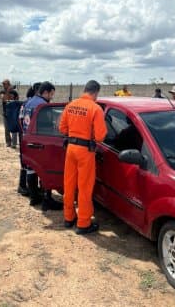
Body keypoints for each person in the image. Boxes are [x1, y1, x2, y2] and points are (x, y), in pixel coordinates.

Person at [59, 80, 107, 234]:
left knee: (69, 184)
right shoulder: (95, 108)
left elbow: (62, 128)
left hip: (71, 149)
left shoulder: (71, 105)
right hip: (85, 151)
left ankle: (68, 218)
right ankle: (83, 223)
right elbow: (100, 136)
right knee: (85, 187)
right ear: (95, 92)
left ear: (85, 90)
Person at [20, 81, 62, 211]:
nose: (52, 97)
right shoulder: (43, 105)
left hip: (27, 138)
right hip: (40, 141)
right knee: (45, 170)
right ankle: (47, 199)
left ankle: (34, 197)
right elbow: (48, 126)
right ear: (46, 92)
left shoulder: (28, 102)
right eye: (51, 94)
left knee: (31, 169)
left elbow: (20, 120)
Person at [17, 82, 41, 196]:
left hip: (24, 136)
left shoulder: (27, 102)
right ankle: (24, 187)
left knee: (25, 162)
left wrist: (24, 133)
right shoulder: (34, 103)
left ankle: (24, 186)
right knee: (28, 163)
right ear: (38, 90)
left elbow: (20, 120)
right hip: (29, 136)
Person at [0, 79, 19, 147]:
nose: (4, 85)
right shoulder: (2, 92)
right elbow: (4, 99)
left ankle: (14, 143)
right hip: (6, 113)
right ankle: (8, 142)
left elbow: (16, 100)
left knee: (14, 129)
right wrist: (8, 91)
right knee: (6, 129)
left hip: (13, 112)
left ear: (8, 84)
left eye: (5, 84)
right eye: (3, 84)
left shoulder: (14, 92)